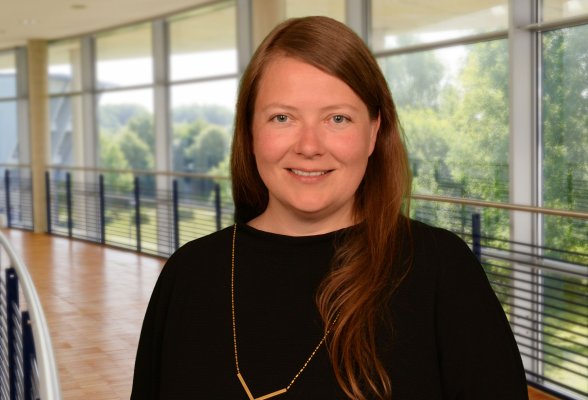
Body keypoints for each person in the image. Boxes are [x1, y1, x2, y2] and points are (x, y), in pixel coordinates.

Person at [131, 16, 528, 400]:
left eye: (337, 118)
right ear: (250, 132)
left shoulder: (441, 270)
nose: (308, 145)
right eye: (282, 117)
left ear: (373, 132)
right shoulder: (189, 274)